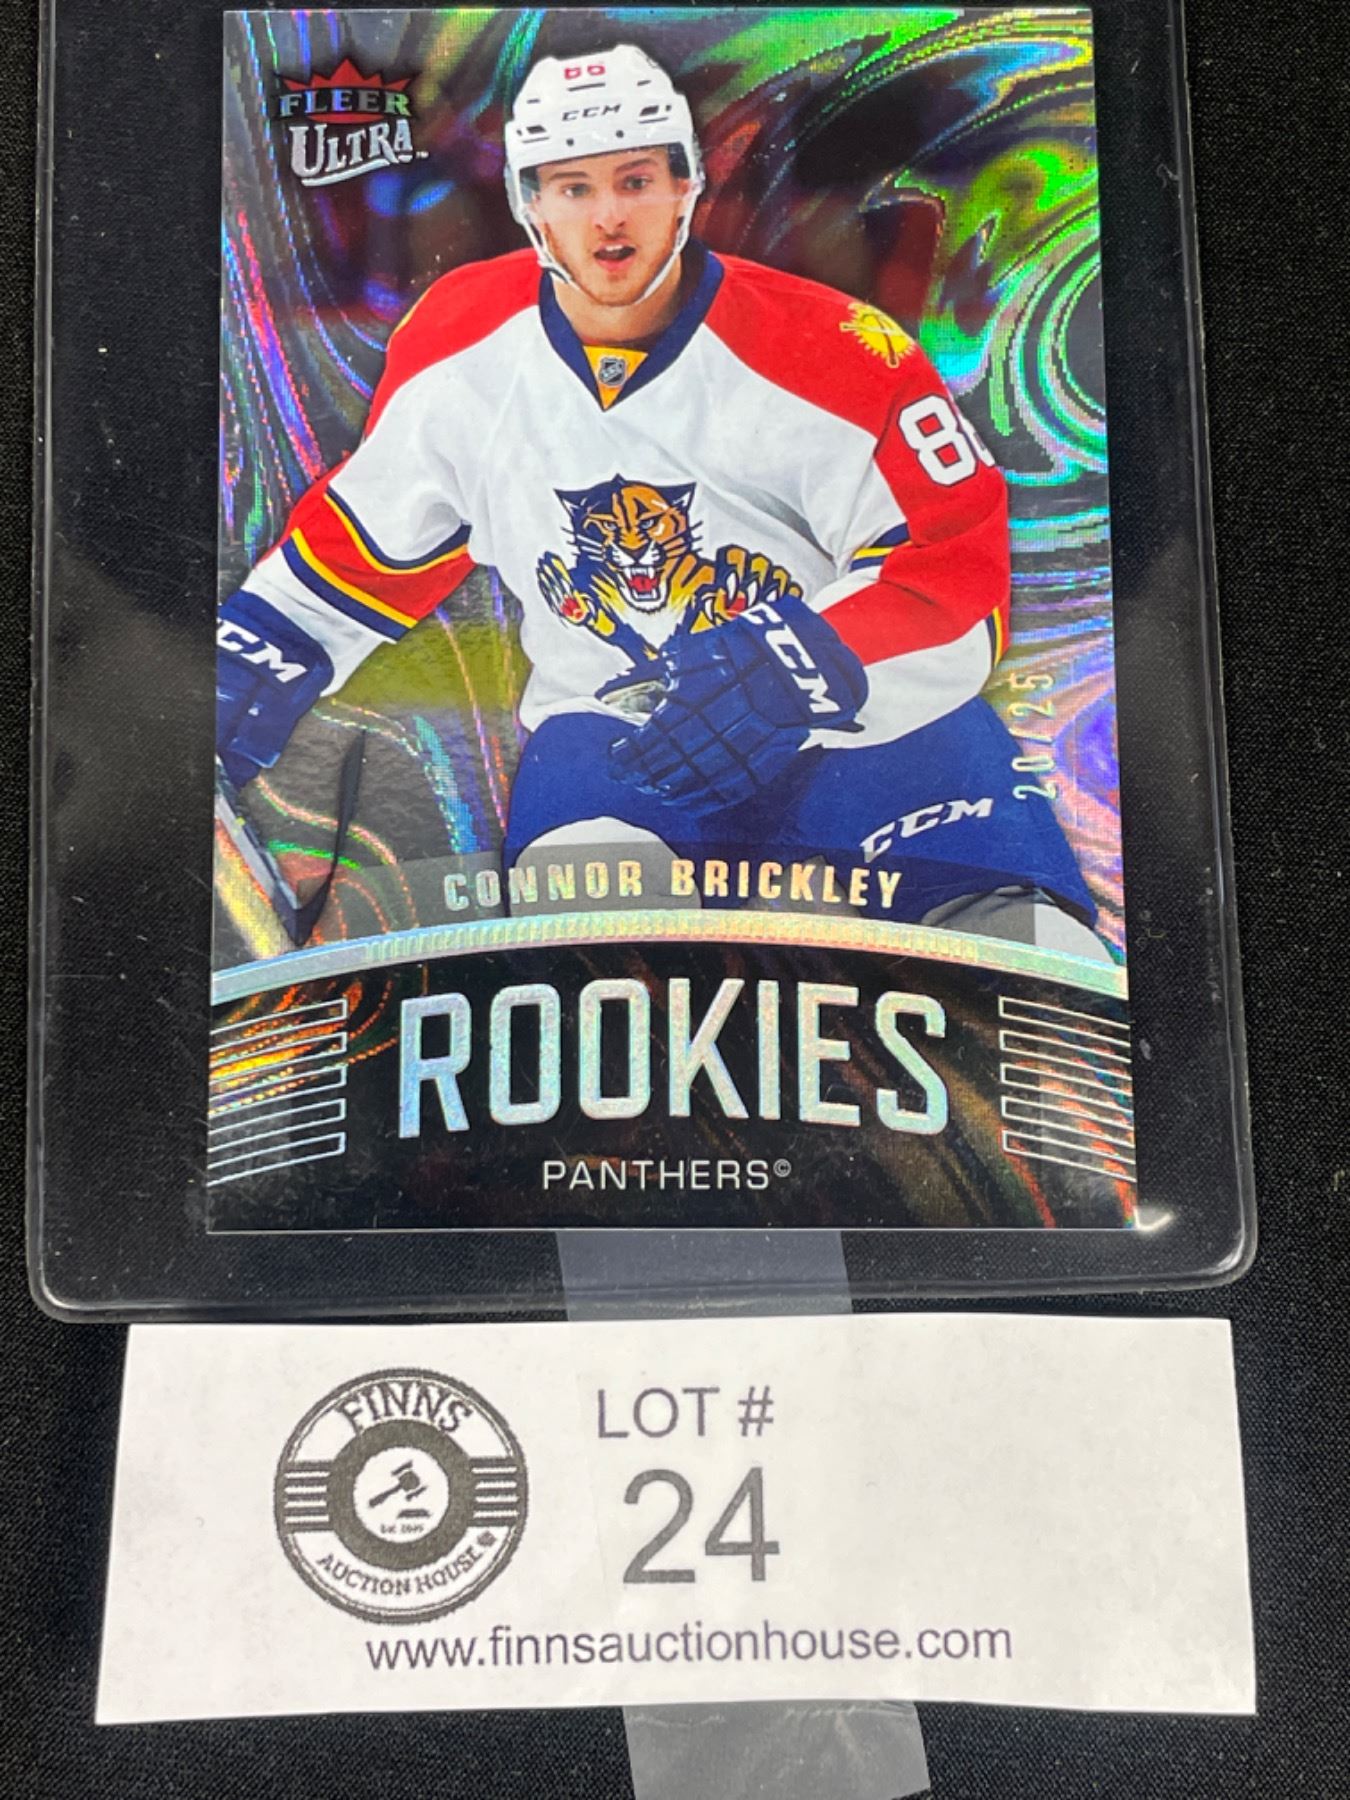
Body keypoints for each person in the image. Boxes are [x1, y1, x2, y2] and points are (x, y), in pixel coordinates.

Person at [216, 43, 1106, 957]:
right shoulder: (459, 341)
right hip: (621, 733)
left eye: (635, 181)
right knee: (589, 943)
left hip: (871, 727)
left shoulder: (843, 350)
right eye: (573, 188)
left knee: (1036, 956)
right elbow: (363, 553)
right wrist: (242, 665)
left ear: (686, 189)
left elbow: (954, 577)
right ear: (528, 204)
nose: (608, 216)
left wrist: (797, 663)